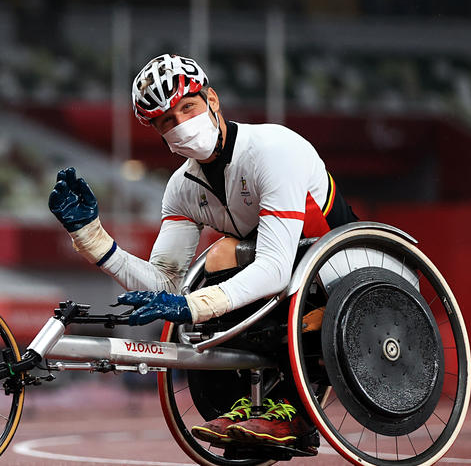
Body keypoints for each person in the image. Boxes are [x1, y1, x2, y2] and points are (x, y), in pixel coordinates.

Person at [48, 54, 357, 451]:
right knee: (213, 274)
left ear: (212, 99)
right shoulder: (182, 189)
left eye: (187, 108)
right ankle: (245, 407)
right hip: (284, 282)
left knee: (219, 271)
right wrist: (93, 240)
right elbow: (168, 282)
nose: (181, 126)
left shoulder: (275, 149)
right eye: (166, 122)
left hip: (344, 271)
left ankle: (292, 414)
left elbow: (276, 268)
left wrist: (193, 305)